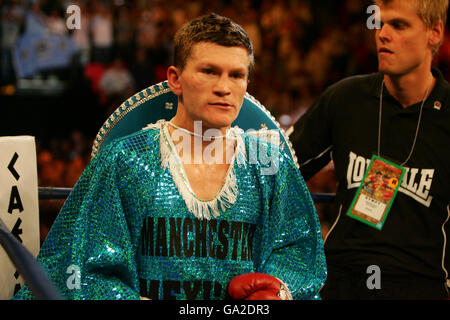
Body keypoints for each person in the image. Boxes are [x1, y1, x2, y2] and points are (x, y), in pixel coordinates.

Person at [14, 13, 326, 300]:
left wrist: (280, 290)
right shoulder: (126, 159)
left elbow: (300, 255)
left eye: (236, 75)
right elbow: (78, 270)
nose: (224, 87)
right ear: (175, 79)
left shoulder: (269, 164)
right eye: (209, 71)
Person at [291, 0, 449, 299]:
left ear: (434, 33)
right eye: (380, 23)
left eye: (398, 25)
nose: (381, 34)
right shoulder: (344, 99)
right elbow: (275, 170)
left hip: (421, 284)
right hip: (341, 282)